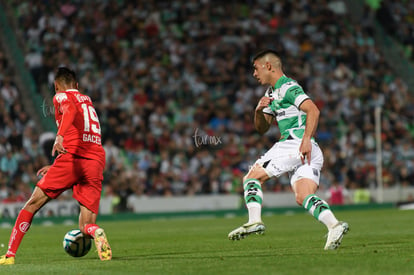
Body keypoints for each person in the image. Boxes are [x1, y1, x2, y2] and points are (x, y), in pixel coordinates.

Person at [228, 50, 349, 250]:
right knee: (303, 196)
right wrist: (258, 111)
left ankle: (254, 220)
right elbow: (262, 128)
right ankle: (334, 225)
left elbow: (313, 110)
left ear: (268, 66)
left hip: (297, 143)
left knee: (251, 177)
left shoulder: (288, 87)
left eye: (256, 68)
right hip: (307, 149)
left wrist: (306, 140)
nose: (254, 74)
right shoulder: (271, 93)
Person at [0, 67, 112, 265]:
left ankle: (9, 255)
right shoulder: (87, 100)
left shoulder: (60, 97)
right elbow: (81, 137)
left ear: (56, 86)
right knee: (86, 226)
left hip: (72, 159)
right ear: (77, 85)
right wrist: (55, 166)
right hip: (95, 161)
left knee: (32, 205)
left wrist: (58, 136)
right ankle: (97, 232)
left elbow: (70, 110)